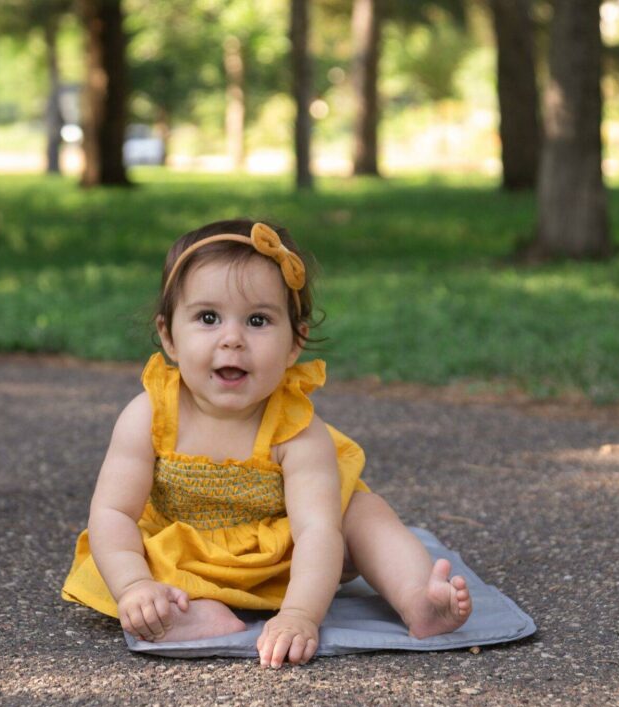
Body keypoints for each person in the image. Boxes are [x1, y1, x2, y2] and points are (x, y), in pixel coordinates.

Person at [61, 219, 472, 668]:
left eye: (258, 320)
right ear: (168, 336)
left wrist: (299, 615)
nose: (232, 338)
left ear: (295, 343)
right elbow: (113, 512)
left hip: (285, 559)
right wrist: (134, 586)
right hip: (184, 554)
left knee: (362, 513)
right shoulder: (149, 414)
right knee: (119, 558)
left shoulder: (296, 429)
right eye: (207, 318)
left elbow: (316, 532)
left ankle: (418, 600)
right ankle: (185, 614)